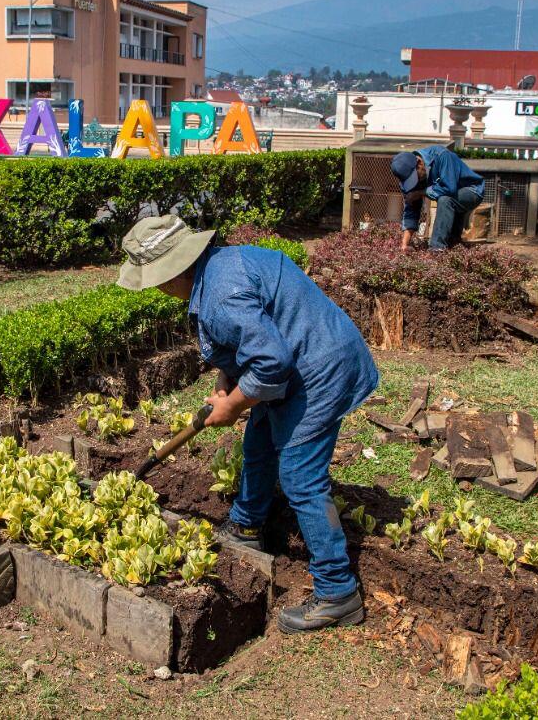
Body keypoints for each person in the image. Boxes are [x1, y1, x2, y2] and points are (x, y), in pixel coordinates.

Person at [117, 215, 380, 633]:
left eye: (153, 278)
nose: (153, 286)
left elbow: (272, 362)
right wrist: (227, 381)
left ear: (172, 272)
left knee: (299, 476)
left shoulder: (220, 296)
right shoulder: (220, 267)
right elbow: (251, 343)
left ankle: (337, 592)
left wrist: (233, 407)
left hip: (319, 369)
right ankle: (246, 524)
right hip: (304, 356)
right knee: (258, 442)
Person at [390, 144, 485, 252]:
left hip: (472, 190)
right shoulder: (408, 178)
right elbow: (411, 209)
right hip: (453, 198)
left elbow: (449, 188)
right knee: (452, 242)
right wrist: (405, 244)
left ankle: (436, 249)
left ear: (419, 163)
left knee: (445, 199)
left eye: (415, 178)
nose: (415, 183)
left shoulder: (442, 155)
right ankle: (453, 245)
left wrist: (422, 192)